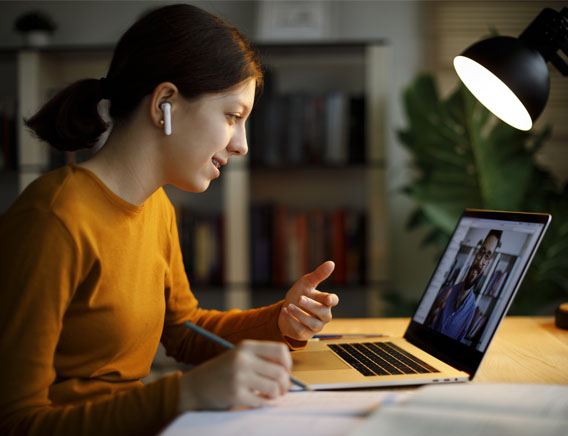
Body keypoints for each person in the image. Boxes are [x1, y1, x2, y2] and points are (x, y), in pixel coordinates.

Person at [0, 4, 339, 435]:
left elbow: (182, 330)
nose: (243, 145)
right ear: (164, 104)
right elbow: (15, 421)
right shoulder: (52, 220)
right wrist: (184, 395)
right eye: (233, 117)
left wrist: (281, 321)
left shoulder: (156, 205)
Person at [425, 230, 502, 341]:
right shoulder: (446, 291)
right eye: (481, 252)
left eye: (487, 256)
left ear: (487, 265)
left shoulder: (471, 310)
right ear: (476, 254)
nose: (480, 262)